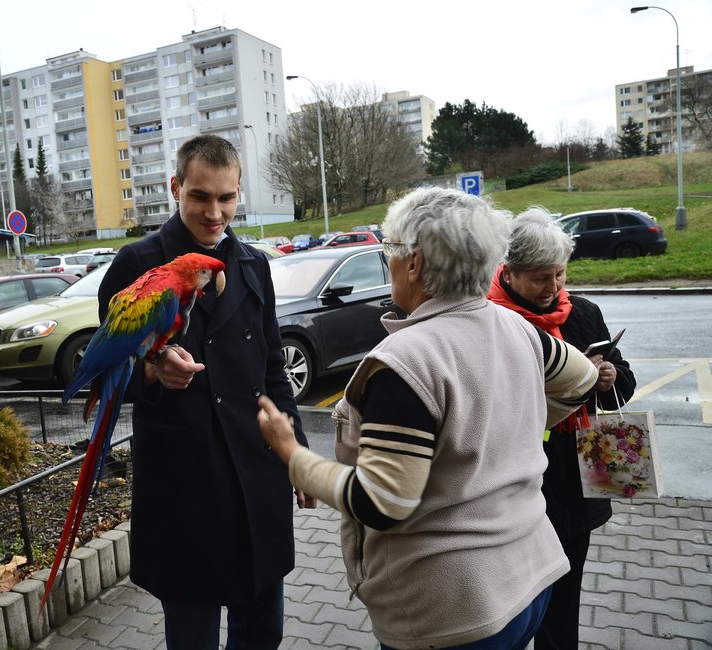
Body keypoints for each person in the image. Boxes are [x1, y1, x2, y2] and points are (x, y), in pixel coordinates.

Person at [257, 187, 600, 649]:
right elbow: (580, 381)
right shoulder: (520, 329)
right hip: (531, 578)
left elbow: (381, 502)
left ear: (414, 262)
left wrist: (292, 454)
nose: (389, 263)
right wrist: (511, 422)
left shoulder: (405, 362)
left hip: (452, 612)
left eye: (390, 252)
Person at [97, 134, 314, 649]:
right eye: (200, 196)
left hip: (256, 475)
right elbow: (103, 376)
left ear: (239, 193)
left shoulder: (253, 265)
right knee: (193, 637)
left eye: (226, 198)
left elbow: (272, 369)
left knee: (264, 632)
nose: (214, 212)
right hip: (186, 483)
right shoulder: (136, 264)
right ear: (176, 188)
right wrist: (151, 373)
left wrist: (297, 453)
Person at [487, 207, 636, 649]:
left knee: (563, 609)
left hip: (571, 485)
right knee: (511, 611)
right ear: (509, 273)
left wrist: (607, 376)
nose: (553, 288)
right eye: (540, 278)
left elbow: (623, 386)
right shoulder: (488, 320)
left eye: (559, 274)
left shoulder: (583, 314)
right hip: (510, 487)